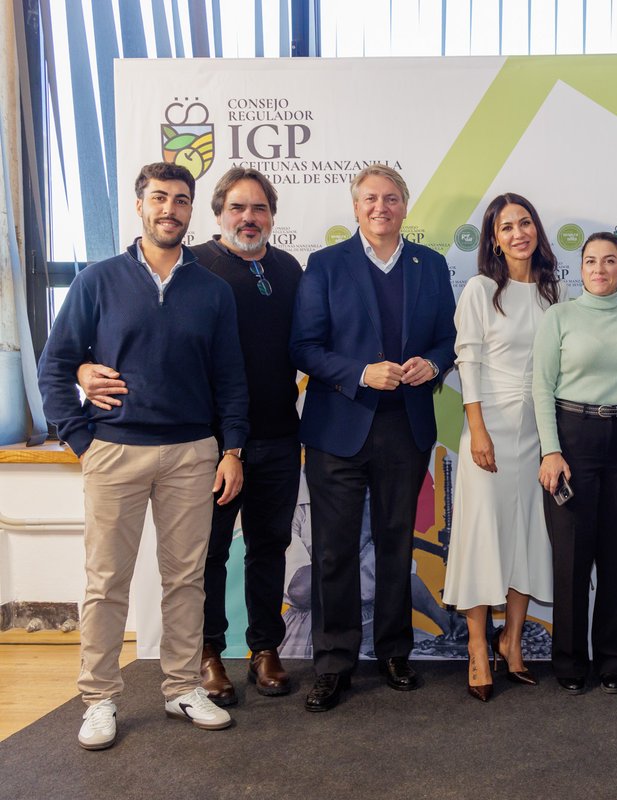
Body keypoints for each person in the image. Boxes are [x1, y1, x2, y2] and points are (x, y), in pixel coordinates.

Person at [38, 162, 249, 749]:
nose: (170, 209)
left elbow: (231, 379)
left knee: (186, 581)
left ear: (191, 210)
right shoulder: (97, 281)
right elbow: (55, 367)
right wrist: (82, 440)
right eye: (160, 198)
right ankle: (100, 697)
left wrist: (231, 450)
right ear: (140, 206)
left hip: (192, 455)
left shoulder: (212, 289)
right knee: (106, 582)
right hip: (115, 451)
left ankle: (182, 688)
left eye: (181, 200)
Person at [77, 167, 303, 706]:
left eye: (260, 209)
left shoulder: (290, 268)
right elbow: (100, 347)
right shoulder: (194, 266)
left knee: (270, 546)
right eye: (238, 208)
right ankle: (207, 653)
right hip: (208, 443)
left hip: (275, 434)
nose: (249, 218)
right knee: (207, 555)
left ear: (272, 216)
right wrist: (83, 379)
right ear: (219, 213)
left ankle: (265, 649)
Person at [290, 163, 456, 712]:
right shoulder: (326, 265)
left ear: (405, 206)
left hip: (404, 428)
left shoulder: (429, 266)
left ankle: (393, 653)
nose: (380, 207)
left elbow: (447, 340)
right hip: (339, 427)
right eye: (369, 199)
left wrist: (432, 365)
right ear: (355, 207)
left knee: (394, 546)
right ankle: (334, 663)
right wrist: (361, 372)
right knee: (335, 553)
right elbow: (305, 348)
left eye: (390, 198)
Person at [442, 193, 562, 702]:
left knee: (525, 539)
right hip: (488, 431)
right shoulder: (480, 289)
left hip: (538, 434)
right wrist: (479, 429)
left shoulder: (552, 294)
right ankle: (476, 646)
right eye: (507, 226)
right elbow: (467, 362)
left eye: (526, 222)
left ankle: (512, 642)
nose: (519, 233)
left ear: (537, 229)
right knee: (482, 537)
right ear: (493, 238)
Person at [533, 232, 617, 695]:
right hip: (572, 440)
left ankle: (614, 661)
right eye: (590, 261)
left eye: (610, 261)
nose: (599, 269)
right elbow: (541, 386)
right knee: (572, 561)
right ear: (579, 269)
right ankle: (569, 664)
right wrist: (550, 449)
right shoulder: (559, 317)